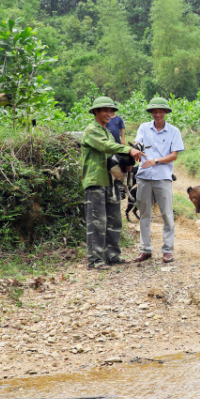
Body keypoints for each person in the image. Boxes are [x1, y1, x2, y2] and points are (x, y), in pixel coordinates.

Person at [81, 96, 142, 270]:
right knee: (97, 221)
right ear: (96, 112)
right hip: (96, 180)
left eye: (111, 110)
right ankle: (95, 260)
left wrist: (125, 165)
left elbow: (111, 156)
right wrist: (128, 149)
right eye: (105, 110)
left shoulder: (107, 131)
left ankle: (112, 255)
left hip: (111, 181)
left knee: (114, 220)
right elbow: (106, 147)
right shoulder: (92, 130)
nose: (109, 114)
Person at [133, 97, 185, 264]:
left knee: (167, 214)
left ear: (165, 113)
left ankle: (168, 251)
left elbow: (174, 155)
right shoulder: (143, 128)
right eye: (154, 111)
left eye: (160, 111)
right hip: (144, 176)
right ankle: (145, 249)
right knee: (144, 214)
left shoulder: (173, 131)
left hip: (163, 177)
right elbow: (137, 144)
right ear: (151, 113)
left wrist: (156, 160)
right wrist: (135, 149)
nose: (157, 114)